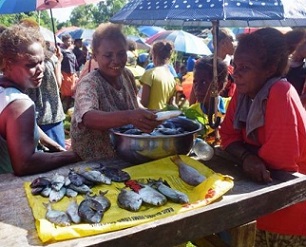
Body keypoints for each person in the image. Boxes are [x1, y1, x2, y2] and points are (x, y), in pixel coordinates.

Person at [219, 27, 306, 246]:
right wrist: (248, 158)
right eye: (235, 66)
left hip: (288, 212)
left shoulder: (280, 92)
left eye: (245, 68)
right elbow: (227, 135)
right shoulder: (243, 92)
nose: (235, 74)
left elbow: (278, 162)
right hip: (260, 206)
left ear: (269, 70)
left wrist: (241, 153)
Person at [70, 23, 160, 161]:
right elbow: (88, 117)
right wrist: (129, 116)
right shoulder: (89, 83)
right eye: (108, 55)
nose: (116, 60)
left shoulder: (127, 75)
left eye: (121, 53)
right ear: (95, 56)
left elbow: (134, 104)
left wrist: (150, 114)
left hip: (123, 155)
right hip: (93, 162)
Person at [0, 24, 80, 176]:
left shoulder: (5, 90)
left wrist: (57, 148)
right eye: (31, 64)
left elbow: (26, 129)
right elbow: (24, 164)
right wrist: (72, 155)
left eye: (42, 61)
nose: (41, 69)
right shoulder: (19, 104)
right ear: (8, 64)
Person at [26, 44, 66, 149]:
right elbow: (58, 83)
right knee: (58, 159)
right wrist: (58, 62)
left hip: (31, 118)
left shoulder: (21, 61)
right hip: (52, 116)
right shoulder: (51, 59)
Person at [139, 40, 177, 110]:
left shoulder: (150, 73)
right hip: (164, 118)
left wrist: (136, 100)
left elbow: (144, 103)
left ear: (154, 55)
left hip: (150, 117)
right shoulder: (172, 78)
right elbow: (171, 104)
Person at [60, 33, 78, 113]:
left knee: (71, 93)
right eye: (67, 41)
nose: (69, 43)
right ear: (63, 41)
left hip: (72, 74)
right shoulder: (61, 51)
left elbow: (75, 64)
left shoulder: (71, 51)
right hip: (65, 74)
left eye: (70, 41)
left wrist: (76, 73)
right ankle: (61, 108)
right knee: (65, 93)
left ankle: (66, 109)